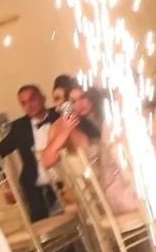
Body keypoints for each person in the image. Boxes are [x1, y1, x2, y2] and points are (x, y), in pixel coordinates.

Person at [41, 84, 139, 214]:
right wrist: (64, 132)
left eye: (83, 97)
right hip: (97, 195)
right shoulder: (65, 126)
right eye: (73, 101)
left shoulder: (105, 118)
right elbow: (46, 161)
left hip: (123, 179)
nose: (80, 104)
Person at [0, 83, 61, 220]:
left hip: (65, 179)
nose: (29, 105)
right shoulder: (20, 128)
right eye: (24, 103)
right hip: (36, 187)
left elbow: (72, 110)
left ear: (43, 98)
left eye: (32, 99)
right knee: (41, 220)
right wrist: (5, 187)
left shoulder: (59, 115)